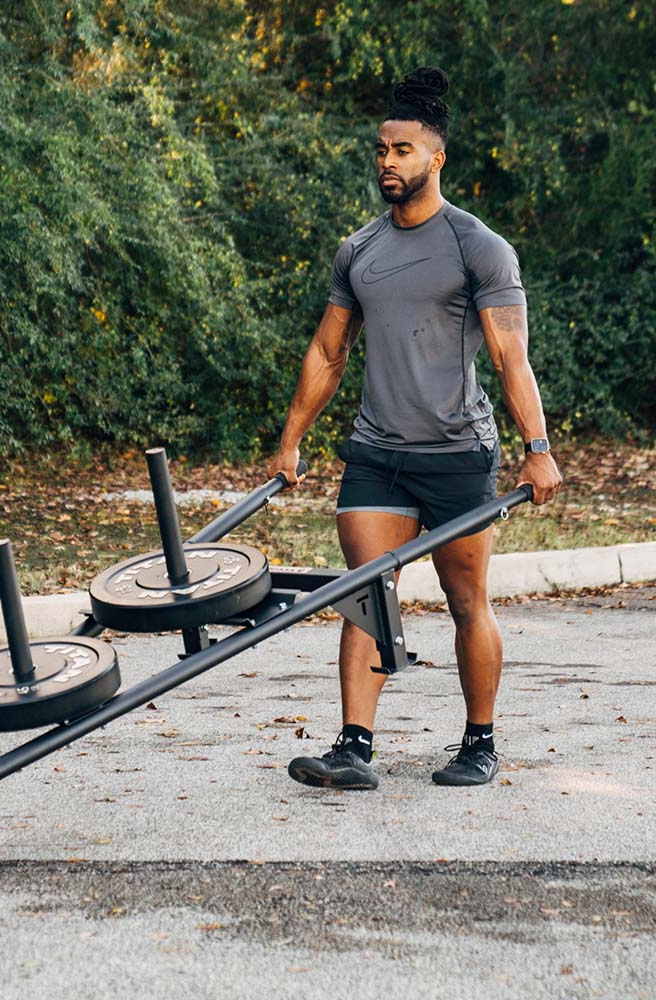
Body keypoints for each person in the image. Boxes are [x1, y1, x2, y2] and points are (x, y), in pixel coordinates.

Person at [270, 66, 563, 790]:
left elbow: (508, 354)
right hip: (376, 452)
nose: (387, 162)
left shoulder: (478, 247)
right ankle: (354, 747)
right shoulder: (360, 251)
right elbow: (328, 351)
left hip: (458, 454)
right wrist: (291, 441)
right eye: (380, 150)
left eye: (402, 150)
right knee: (366, 590)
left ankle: (480, 742)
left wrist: (538, 450)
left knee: (467, 602)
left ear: (436, 158)